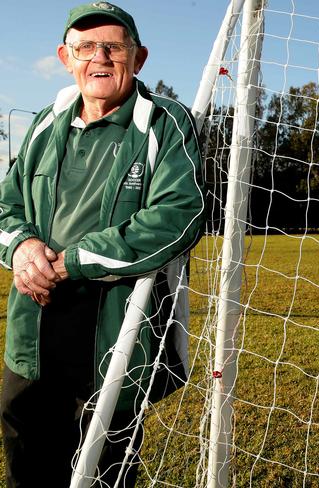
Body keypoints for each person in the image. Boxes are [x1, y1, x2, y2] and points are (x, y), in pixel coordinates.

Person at [0, 3, 205, 487]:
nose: (100, 57)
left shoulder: (164, 123)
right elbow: (6, 206)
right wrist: (24, 248)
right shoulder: (46, 123)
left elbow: (178, 216)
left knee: (103, 471)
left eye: (114, 46)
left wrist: (71, 262)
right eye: (85, 47)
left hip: (116, 338)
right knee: (27, 462)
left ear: (139, 57)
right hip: (32, 331)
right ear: (65, 57)